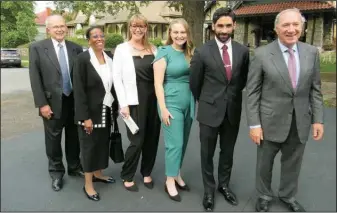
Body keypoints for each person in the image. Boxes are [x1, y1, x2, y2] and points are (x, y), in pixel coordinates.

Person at [245, 8, 324, 212]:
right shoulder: (262, 54)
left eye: (295, 24)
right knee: (264, 164)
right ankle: (263, 195)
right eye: (286, 25)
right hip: (268, 121)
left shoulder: (311, 53)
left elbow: (316, 89)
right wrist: (254, 124)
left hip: (300, 122)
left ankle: (288, 195)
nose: (291, 29)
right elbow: (252, 92)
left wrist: (318, 120)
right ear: (276, 28)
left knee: (293, 163)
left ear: (302, 27)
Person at [189, 7, 250, 211]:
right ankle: (209, 190)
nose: (224, 30)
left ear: (234, 27)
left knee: (228, 152)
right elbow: (195, 84)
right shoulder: (202, 51)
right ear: (213, 26)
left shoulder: (242, 51)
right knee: (207, 153)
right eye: (220, 25)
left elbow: (241, 81)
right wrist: (208, 100)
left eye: (228, 26)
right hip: (209, 111)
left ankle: (224, 185)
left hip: (232, 111)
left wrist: (228, 98)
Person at [29, 14, 84, 192]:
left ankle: (74, 167)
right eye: (56, 27)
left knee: (74, 137)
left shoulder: (76, 48)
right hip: (51, 103)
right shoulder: (37, 48)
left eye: (63, 26)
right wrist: (42, 104)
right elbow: (35, 78)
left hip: (73, 101)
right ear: (48, 29)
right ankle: (56, 173)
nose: (60, 29)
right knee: (53, 139)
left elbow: (82, 77)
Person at [112, 14, 161, 192]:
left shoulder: (154, 49)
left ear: (147, 28)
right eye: (134, 26)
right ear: (129, 28)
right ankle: (127, 174)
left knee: (152, 138)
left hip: (154, 100)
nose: (138, 29)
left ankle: (146, 172)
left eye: (142, 26)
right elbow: (116, 78)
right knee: (137, 140)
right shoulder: (122, 49)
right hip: (133, 102)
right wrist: (122, 104)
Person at [73, 26, 119, 201]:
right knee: (88, 147)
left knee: (101, 143)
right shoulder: (82, 59)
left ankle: (98, 173)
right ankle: (88, 184)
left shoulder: (110, 57)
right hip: (89, 113)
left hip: (106, 110)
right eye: (95, 36)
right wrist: (85, 117)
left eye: (101, 35)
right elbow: (79, 90)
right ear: (89, 40)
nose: (99, 38)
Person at [153, 18, 195, 202]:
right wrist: (163, 108)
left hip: (189, 102)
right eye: (175, 32)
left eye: (183, 32)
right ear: (170, 33)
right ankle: (169, 181)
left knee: (183, 142)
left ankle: (177, 173)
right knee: (174, 144)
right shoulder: (164, 52)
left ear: (188, 33)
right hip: (171, 103)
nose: (179, 35)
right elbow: (158, 83)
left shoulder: (191, 53)